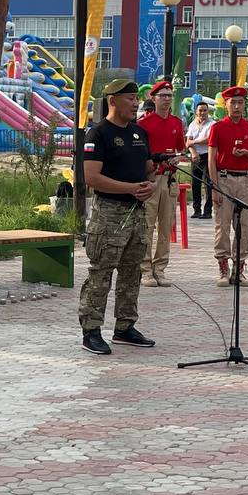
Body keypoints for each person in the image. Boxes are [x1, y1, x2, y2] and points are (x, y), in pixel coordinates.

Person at [78, 78, 158, 356]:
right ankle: (91, 330)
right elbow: (92, 178)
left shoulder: (139, 133)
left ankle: (125, 327)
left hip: (137, 214)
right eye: (130, 99)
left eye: (136, 98)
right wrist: (130, 189)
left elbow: (145, 166)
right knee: (101, 272)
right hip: (109, 214)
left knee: (131, 272)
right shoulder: (98, 134)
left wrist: (151, 179)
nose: (136, 103)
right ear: (113, 101)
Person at [207, 85, 248, 287]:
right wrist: (214, 187)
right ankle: (222, 266)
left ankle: (238, 268)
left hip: (246, 179)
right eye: (233, 102)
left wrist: (247, 153)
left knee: (244, 225)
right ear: (227, 104)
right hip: (224, 179)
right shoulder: (217, 128)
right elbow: (211, 160)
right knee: (222, 225)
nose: (237, 106)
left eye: (241, 102)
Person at [136, 80, 185, 287]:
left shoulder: (176, 123)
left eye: (169, 96)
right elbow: (138, 153)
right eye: (162, 96)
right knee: (147, 225)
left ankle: (160, 268)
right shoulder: (144, 124)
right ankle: (145, 269)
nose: (166, 99)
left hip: (170, 178)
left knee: (166, 227)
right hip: (151, 178)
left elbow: (180, 149)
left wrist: (177, 158)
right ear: (153, 98)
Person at [185, 101, 214, 218]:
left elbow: (209, 139)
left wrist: (195, 141)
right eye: (200, 110)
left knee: (208, 184)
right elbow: (188, 142)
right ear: (196, 112)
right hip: (195, 156)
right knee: (195, 183)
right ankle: (196, 210)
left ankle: (207, 211)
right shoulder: (192, 124)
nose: (202, 113)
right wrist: (193, 153)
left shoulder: (212, 124)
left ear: (208, 112)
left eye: (205, 110)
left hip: (208, 155)